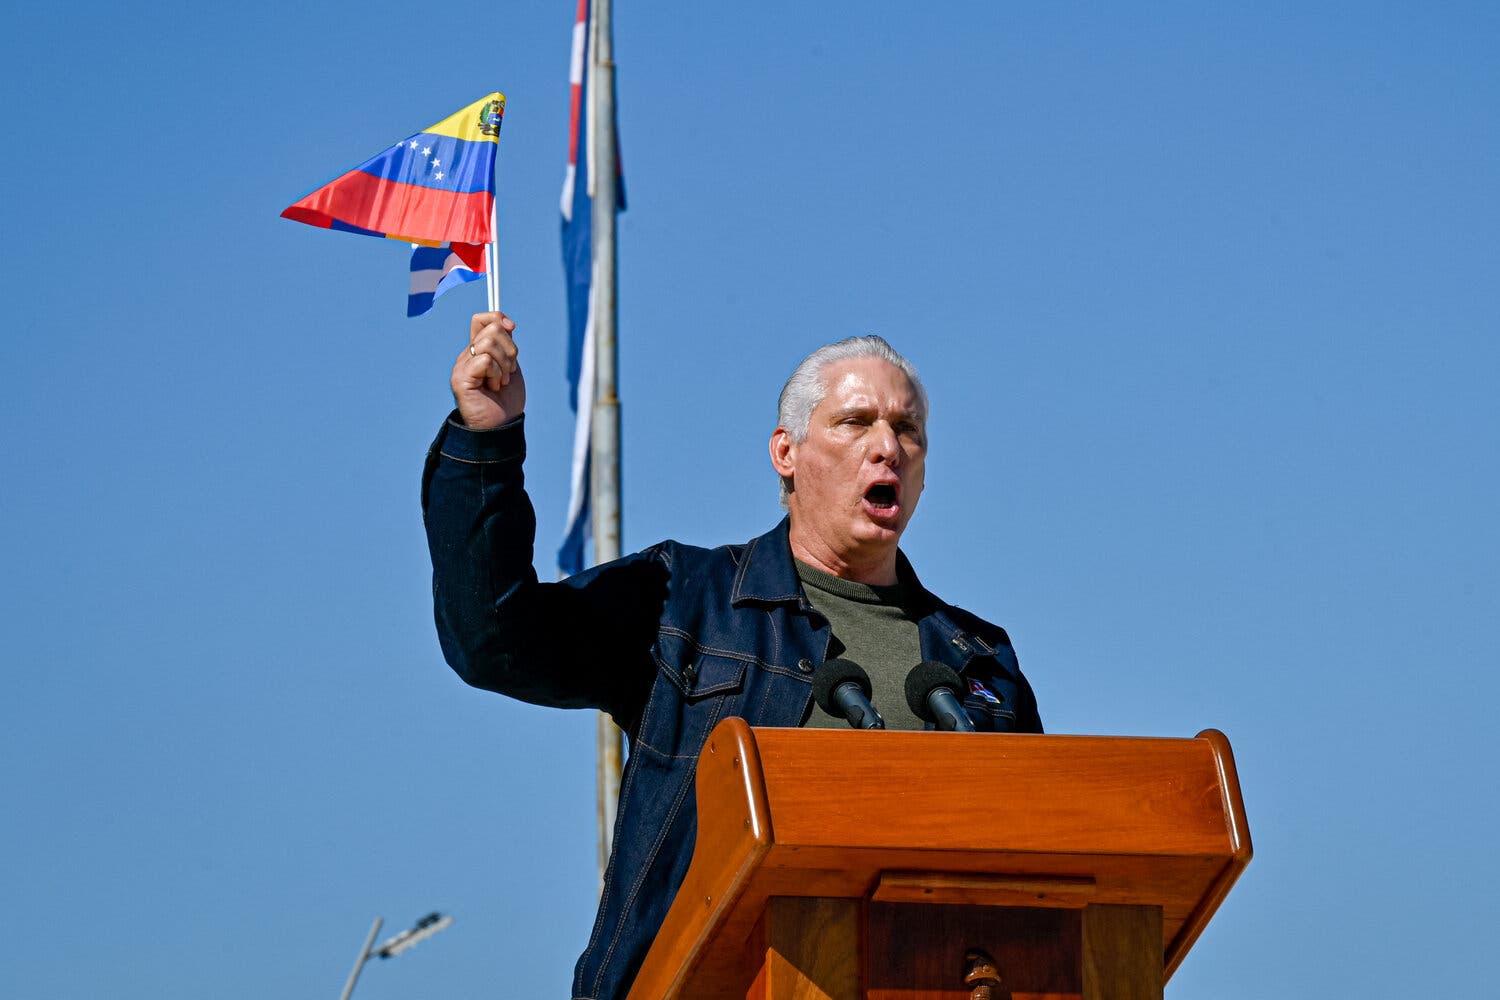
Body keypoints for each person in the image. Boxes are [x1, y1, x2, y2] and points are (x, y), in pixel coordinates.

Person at [422, 311, 1043, 1000]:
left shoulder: (978, 660)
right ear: (787, 452)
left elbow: (1047, 875)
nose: (887, 447)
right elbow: (493, 642)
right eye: (856, 422)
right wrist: (487, 440)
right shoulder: (685, 602)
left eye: (907, 429)